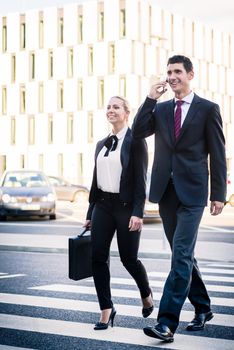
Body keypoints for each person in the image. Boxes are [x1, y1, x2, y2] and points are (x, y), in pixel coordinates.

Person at [132, 55, 227, 342]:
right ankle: (203, 307)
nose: (172, 77)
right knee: (181, 254)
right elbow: (137, 132)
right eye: (169, 72)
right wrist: (150, 98)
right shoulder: (160, 110)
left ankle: (166, 322)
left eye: (177, 72)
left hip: (194, 192)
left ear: (190, 74)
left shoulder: (208, 109)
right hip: (166, 193)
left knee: (182, 254)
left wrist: (218, 194)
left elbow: (218, 154)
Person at [84, 96, 154, 330]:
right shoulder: (101, 143)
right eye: (108, 107)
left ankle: (145, 293)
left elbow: (140, 181)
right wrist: (90, 211)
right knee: (97, 258)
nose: (111, 110)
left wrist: (138, 212)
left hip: (126, 208)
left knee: (128, 259)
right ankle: (106, 309)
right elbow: (96, 181)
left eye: (116, 107)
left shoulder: (136, 141)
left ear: (126, 113)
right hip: (102, 205)